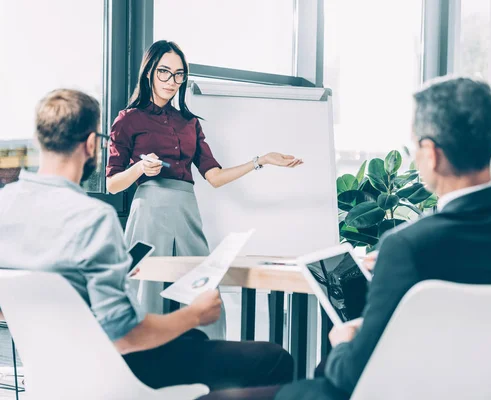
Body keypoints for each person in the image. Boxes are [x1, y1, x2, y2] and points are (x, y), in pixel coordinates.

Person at [274, 77, 491, 400]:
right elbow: (474, 248)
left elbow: (352, 375)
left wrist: (342, 342)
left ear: (431, 153)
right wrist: (398, 266)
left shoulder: (406, 247)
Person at [0, 89, 293, 396]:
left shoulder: (5, 205)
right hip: (112, 373)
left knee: (194, 341)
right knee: (272, 359)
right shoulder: (92, 218)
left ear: (38, 142)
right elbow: (125, 337)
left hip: (52, 372)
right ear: (90, 145)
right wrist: (196, 314)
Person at [105, 40, 303, 338]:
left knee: (203, 292)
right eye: (164, 72)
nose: (172, 81)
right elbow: (111, 184)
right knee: (147, 295)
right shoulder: (128, 119)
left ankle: (207, 365)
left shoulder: (189, 123)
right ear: (149, 73)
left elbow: (215, 176)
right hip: (149, 212)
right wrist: (140, 169)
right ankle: (145, 366)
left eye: (179, 74)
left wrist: (261, 160)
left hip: (187, 212)